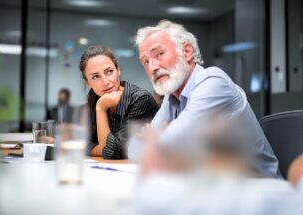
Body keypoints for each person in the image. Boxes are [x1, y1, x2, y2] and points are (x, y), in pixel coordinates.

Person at [131, 20, 280, 178]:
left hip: (261, 189)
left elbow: (173, 141)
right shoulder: (171, 96)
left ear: (187, 51)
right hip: (219, 187)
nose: (152, 67)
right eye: (146, 61)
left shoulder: (213, 80)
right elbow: (135, 150)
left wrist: (157, 141)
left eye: (159, 54)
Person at [79, 45, 158, 159]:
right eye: (96, 77)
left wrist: (101, 109)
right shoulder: (95, 98)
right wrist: (101, 149)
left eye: (109, 72)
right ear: (87, 82)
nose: (105, 82)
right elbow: (82, 144)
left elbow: (112, 152)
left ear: (118, 70)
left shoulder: (140, 99)